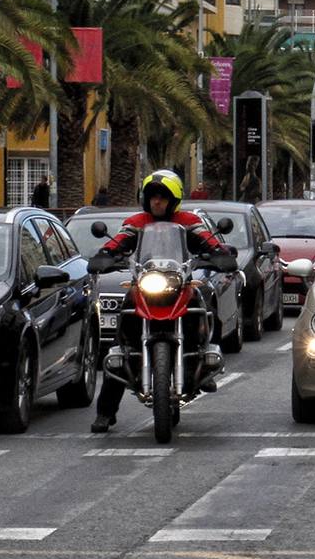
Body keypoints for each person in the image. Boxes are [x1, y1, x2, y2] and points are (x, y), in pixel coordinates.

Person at [87, 170, 236, 434]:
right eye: (153, 197)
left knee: (203, 301)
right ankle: (105, 413)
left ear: (173, 199)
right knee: (121, 340)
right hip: (146, 284)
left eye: (162, 197)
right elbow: (119, 242)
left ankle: (205, 358)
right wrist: (105, 254)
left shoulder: (189, 221)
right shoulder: (136, 222)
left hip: (179, 283)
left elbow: (210, 242)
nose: (157, 202)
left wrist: (220, 254)